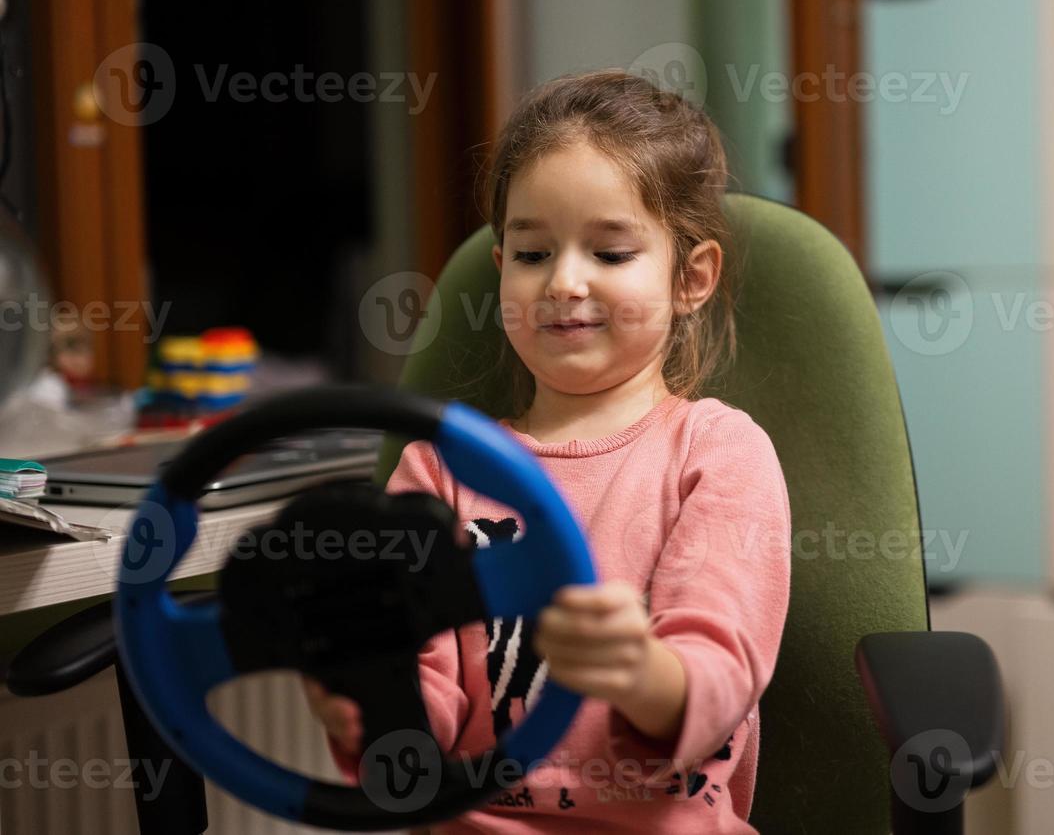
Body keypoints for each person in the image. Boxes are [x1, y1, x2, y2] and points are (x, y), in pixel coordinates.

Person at [304, 69, 792, 833]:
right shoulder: (436, 470)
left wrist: (643, 674)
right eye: (533, 255)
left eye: (611, 252)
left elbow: (718, 667)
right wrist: (363, 700)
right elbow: (415, 697)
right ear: (502, 269)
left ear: (691, 277)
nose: (564, 282)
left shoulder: (718, 453)